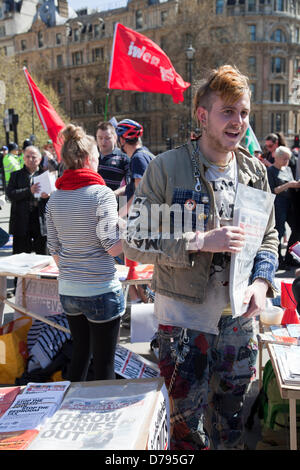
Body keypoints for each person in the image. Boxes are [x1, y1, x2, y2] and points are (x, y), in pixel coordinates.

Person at [122, 65, 279, 450]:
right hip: (182, 323)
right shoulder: (167, 168)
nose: (238, 122)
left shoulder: (254, 172)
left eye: (243, 113)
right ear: (202, 115)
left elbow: (270, 237)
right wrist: (198, 240)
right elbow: (134, 240)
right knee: (185, 431)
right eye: (227, 111)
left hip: (238, 322)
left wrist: (261, 282)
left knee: (231, 422)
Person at [46, 124, 124, 382]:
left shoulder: (54, 199)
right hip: (100, 288)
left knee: (80, 353)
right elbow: (112, 246)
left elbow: (55, 252)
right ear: (89, 159)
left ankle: (69, 406)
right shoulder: (101, 194)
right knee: (104, 364)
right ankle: (105, 416)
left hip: (69, 290)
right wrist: (132, 232)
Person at [6, 145, 49, 256]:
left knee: (43, 257)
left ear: (39, 159)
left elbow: (55, 199)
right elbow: (10, 195)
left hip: (40, 221)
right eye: (28, 156)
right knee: (20, 258)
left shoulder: (45, 175)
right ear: (23, 158)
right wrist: (29, 191)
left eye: (34, 157)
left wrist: (48, 196)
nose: (31, 159)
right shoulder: (15, 175)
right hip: (21, 221)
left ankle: (44, 274)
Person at [267, 146, 300, 269]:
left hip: (290, 204)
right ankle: (278, 260)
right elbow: (272, 190)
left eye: (288, 159)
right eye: (285, 159)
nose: (287, 161)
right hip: (278, 205)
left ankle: (290, 257)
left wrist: (296, 185)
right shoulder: (270, 171)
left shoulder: (287, 169)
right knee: (279, 232)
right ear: (278, 157)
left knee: (296, 230)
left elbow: (292, 184)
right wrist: (289, 185)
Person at [116, 119, 154, 216]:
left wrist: (120, 215)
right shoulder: (145, 153)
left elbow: (140, 195)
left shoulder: (138, 159)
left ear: (122, 140)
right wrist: (115, 193)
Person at [96, 121, 130, 193]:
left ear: (115, 138)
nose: (103, 142)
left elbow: (130, 185)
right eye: (100, 138)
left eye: (107, 138)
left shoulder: (124, 158)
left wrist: (114, 194)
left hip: (118, 202)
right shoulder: (92, 157)